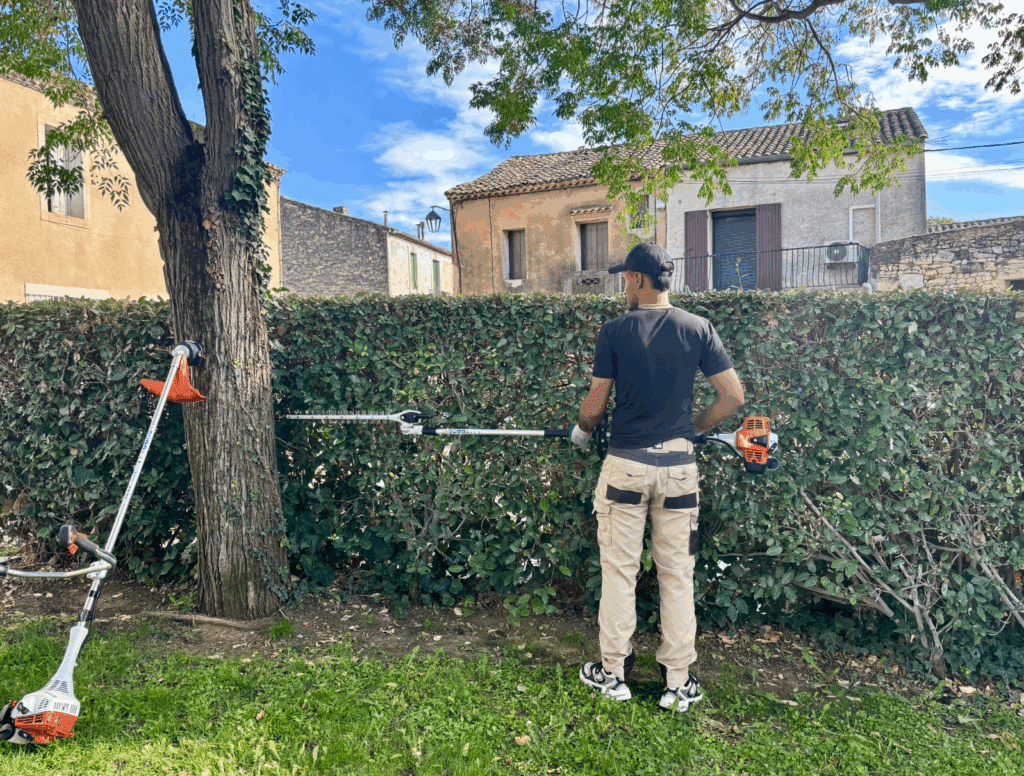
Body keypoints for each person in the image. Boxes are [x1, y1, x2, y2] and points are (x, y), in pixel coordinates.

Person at [571, 242, 745, 713]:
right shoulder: (699, 328)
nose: (623, 286)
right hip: (678, 470)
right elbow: (732, 396)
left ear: (639, 280)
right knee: (677, 576)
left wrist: (581, 431)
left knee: (620, 573)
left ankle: (613, 674)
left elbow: (595, 402)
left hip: (625, 465)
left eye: (625, 278)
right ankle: (677, 682)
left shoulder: (614, 331)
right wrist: (697, 427)